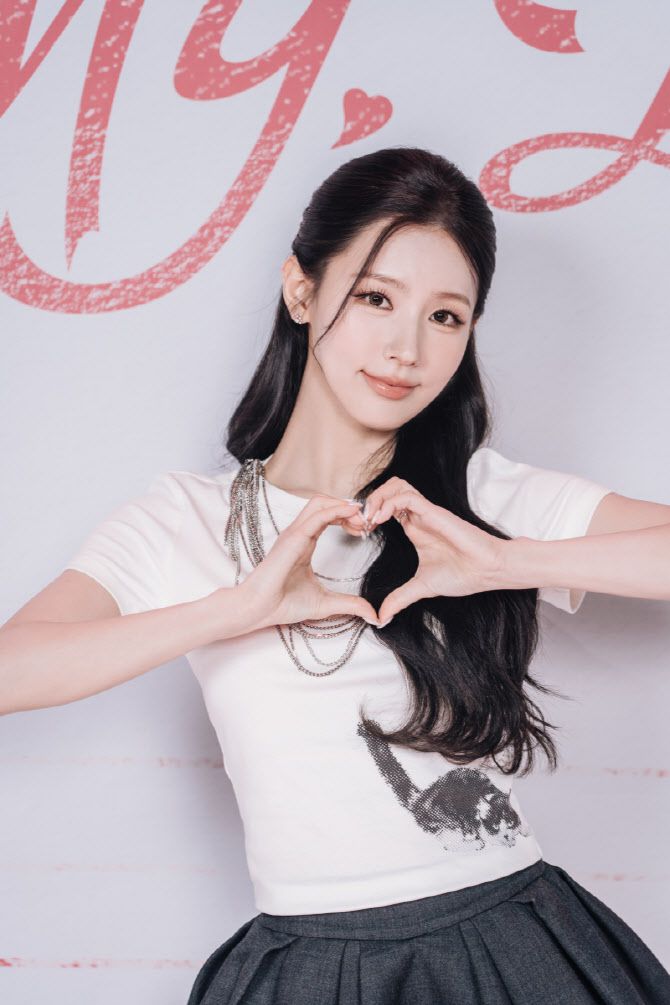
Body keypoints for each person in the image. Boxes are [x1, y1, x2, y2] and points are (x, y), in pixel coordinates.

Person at [3, 146, 670, 1003]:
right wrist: (236, 608)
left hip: (509, 945)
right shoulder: (186, 519)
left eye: (445, 317)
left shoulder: (481, 496)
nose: (405, 348)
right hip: (311, 961)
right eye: (376, 298)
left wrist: (508, 558)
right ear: (302, 290)